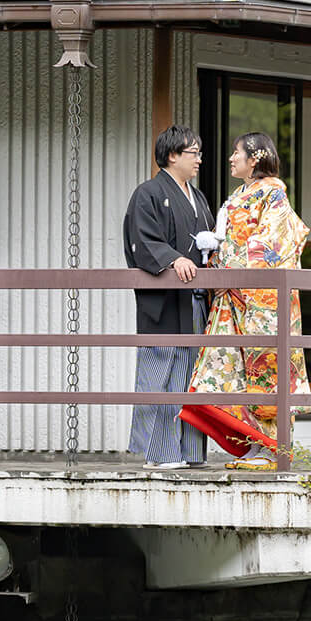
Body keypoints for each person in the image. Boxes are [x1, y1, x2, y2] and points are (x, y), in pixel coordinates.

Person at [181, 133, 311, 468]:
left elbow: (274, 243)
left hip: (262, 299)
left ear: (254, 158)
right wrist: (215, 251)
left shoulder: (273, 192)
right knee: (231, 367)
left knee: (265, 369)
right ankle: (253, 443)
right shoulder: (239, 195)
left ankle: (274, 449)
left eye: (236, 153)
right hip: (235, 296)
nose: (230, 158)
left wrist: (228, 258)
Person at [123, 125, 217, 468]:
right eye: (194, 153)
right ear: (173, 155)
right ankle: (158, 453)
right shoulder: (148, 193)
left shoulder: (198, 197)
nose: (199, 160)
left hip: (193, 300)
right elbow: (143, 241)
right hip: (164, 300)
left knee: (191, 374)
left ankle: (189, 452)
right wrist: (173, 258)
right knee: (160, 371)